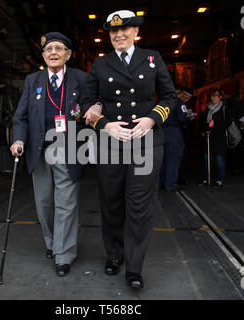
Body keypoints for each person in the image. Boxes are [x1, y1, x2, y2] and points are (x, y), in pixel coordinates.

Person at [79, 10, 177, 289]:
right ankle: (114, 254)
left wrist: (152, 118)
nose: (119, 35)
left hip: (146, 142)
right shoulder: (100, 65)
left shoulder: (152, 58)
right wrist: (103, 123)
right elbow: (83, 103)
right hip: (111, 144)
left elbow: (170, 96)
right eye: (113, 32)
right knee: (111, 203)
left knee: (139, 206)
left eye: (125, 30)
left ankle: (134, 268)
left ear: (136, 32)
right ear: (108, 35)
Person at [11, 32, 87, 277]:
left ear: (68, 54)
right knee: (44, 202)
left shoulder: (81, 78)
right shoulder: (33, 80)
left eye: (59, 48)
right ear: (43, 55)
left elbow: (91, 107)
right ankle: (52, 243)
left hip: (68, 145)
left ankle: (63, 254)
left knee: (65, 202)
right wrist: (19, 139)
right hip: (39, 148)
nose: (53, 52)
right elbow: (21, 116)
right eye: (48, 49)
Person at [160, 87, 193, 192]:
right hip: (174, 133)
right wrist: (188, 117)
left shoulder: (166, 101)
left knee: (164, 160)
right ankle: (170, 184)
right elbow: (181, 119)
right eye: (187, 96)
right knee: (173, 159)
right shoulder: (180, 103)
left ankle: (161, 183)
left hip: (164, 132)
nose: (187, 99)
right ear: (182, 94)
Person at [198, 88, 231, 187]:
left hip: (219, 139)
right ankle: (206, 178)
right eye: (212, 95)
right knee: (207, 159)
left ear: (220, 97)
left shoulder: (224, 109)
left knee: (219, 159)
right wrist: (202, 131)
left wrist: (213, 130)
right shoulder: (208, 109)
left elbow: (226, 123)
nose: (213, 98)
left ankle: (220, 180)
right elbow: (202, 122)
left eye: (216, 95)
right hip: (208, 138)